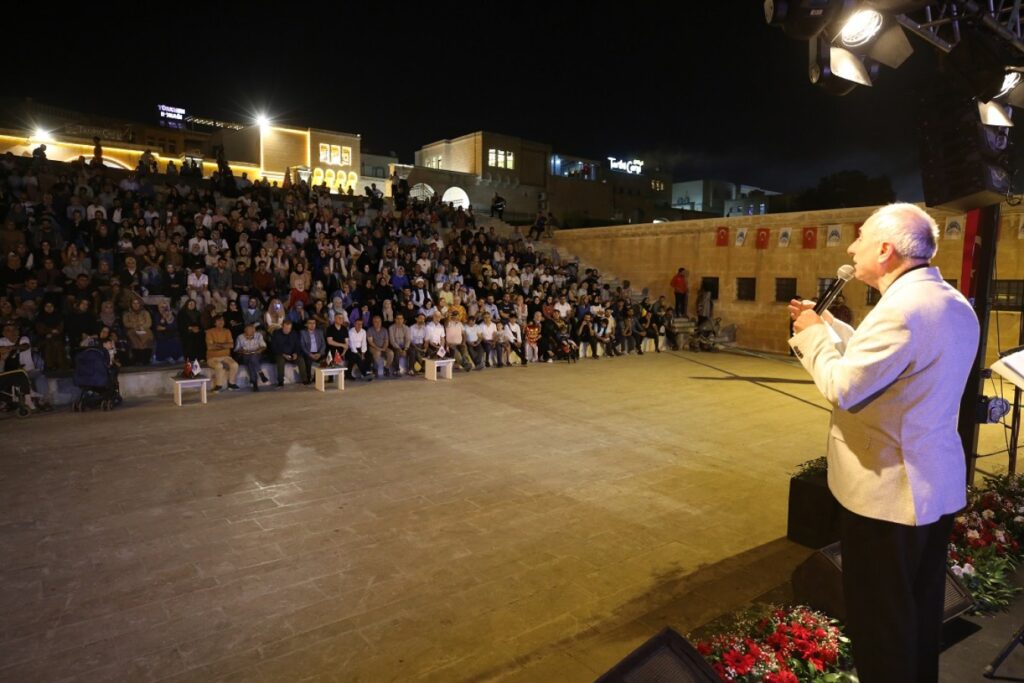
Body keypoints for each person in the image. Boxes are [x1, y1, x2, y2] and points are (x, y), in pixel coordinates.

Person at [788, 203, 979, 683]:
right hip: (931, 488)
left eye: (860, 238)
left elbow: (846, 387)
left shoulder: (900, 311)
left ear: (885, 250)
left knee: (881, 625)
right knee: (918, 612)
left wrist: (812, 339)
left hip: (888, 497)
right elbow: (890, 363)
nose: (852, 248)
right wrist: (830, 328)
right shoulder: (949, 302)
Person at [204, 315, 239, 391]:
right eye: (218, 320)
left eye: (222, 320)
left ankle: (231, 383)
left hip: (226, 356)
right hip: (212, 357)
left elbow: (231, 345)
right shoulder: (209, 332)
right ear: (214, 323)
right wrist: (224, 345)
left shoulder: (227, 331)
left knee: (235, 364)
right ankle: (218, 385)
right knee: (219, 365)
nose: (221, 322)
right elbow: (210, 347)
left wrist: (216, 344)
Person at [270, 319, 306, 387]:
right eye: (286, 328)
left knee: (301, 359)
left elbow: (298, 345)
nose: (287, 330)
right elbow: (274, 347)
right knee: (280, 361)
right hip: (281, 354)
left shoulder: (294, 333)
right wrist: (283, 354)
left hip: (292, 354)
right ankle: (280, 382)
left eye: (289, 328)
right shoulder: (276, 333)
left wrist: (295, 353)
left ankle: (304, 380)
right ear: (282, 326)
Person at [235, 324, 267, 391]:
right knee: (251, 359)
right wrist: (242, 351)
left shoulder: (258, 335)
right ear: (245, 332)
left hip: (257, 355)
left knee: (251, 361)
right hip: (245, 356)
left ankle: (255, 384)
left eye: (251, 334)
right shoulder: (240, 337)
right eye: (247, 334)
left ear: (254, 332)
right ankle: (260, 373)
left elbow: (264, 346)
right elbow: (236, 349)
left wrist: (259, 350)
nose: (249, 336)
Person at [299, 318, 326, 384]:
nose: (312, 325)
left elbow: (323, 344)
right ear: (306, 324)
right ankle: (308, 378)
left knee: (326, 359)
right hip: (308, 353)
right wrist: (310, 354)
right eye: (310, 323)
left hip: (318, 352)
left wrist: (320, 353)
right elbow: (302, 346)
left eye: (314, 323)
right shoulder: (303, 333)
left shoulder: (319, 332)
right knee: (307, 361)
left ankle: (316, 378)